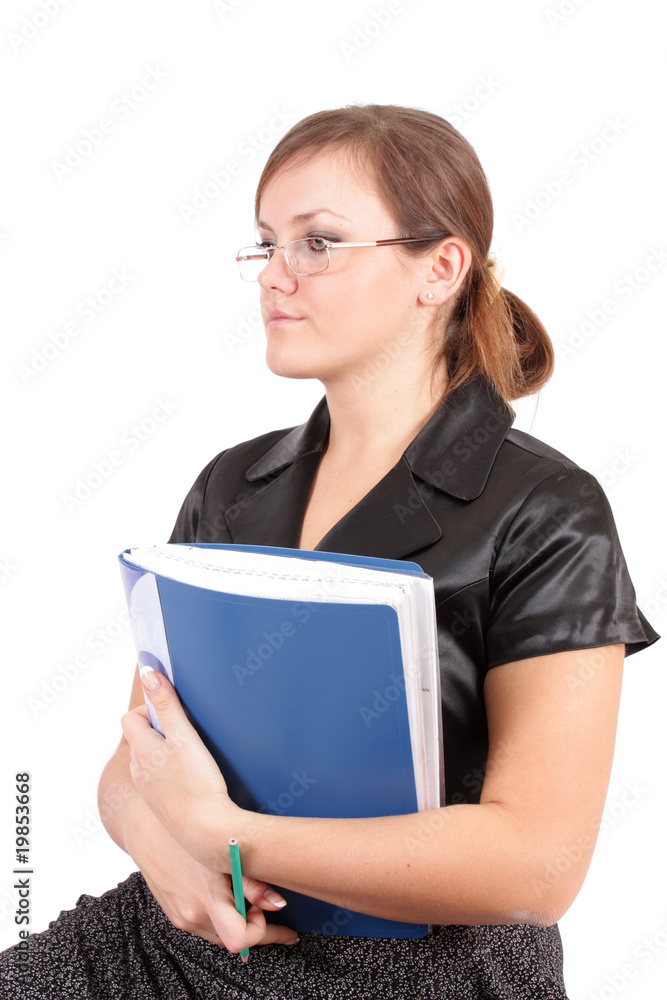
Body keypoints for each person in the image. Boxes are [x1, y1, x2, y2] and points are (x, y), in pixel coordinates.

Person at [1, 104, 659, 1000]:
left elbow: (536, 866)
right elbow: (135, 760)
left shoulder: (548, 510)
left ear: (439, 268)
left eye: (317, 243)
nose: (276, 275)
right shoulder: (232, 484)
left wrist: (227, 839)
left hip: (421, 973)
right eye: (266, 243)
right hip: (186, 936)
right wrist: (166, 852)